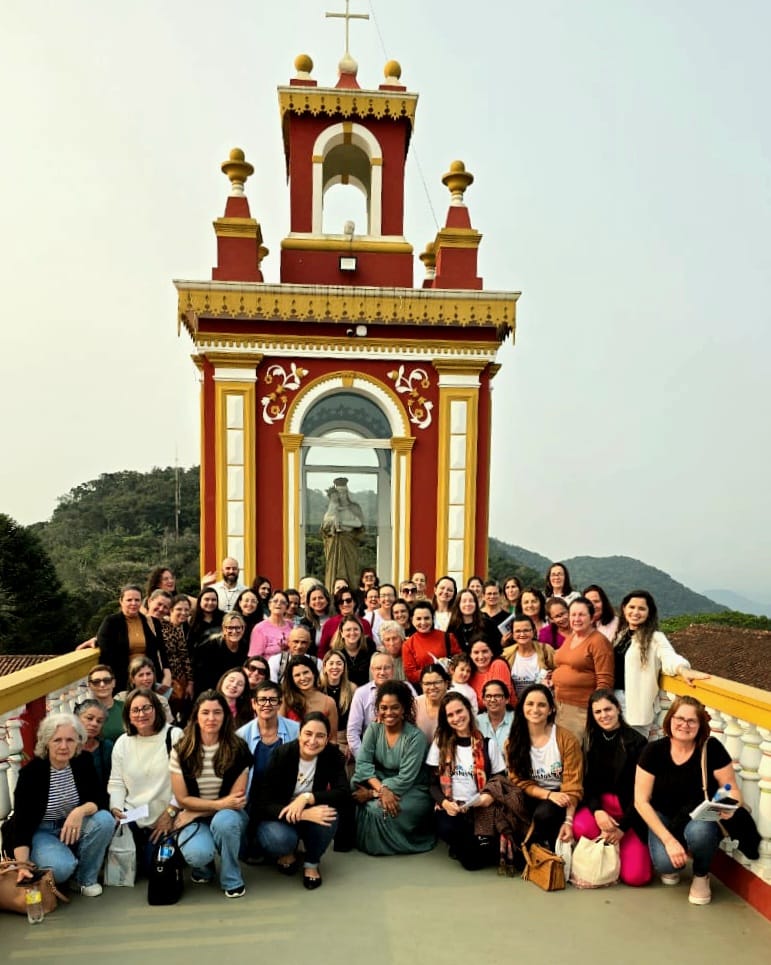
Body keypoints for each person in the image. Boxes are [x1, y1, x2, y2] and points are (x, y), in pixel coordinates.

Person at [634, 695, 740, 905]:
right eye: (679, 718)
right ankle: (677, 852)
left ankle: (701, 874)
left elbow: (731, 789)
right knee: (666, 865)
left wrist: (730, 805)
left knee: (699, 833)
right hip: (664, 817)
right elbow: (641, 801)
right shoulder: (653, 751)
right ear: (670, 719)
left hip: (697, 817)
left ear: (700, 725)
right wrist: (669, 840)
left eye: (692, 721)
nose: (684, 725)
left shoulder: (712, 749)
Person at [11, 712, 114, 894]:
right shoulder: (31, 774)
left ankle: (85, 879)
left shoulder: (83, 761)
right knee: (60, 869)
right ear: (46, 743)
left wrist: (79, 811)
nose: (64, 746)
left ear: (78, 743)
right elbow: (21, 824)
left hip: (74, 826)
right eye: (57, 740)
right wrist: (22, 866)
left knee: (105, 820)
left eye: (70, 740)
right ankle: (65, 864)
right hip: (43, 831)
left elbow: (100, 798)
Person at [170, 690, 253, 899]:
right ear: (196, 716)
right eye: (205, 712)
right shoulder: (182, 750)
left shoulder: (238, 748)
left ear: (225, 716)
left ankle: (231, 877)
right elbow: (182, 799)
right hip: (202, 813)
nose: (211, 718)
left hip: (227, 815)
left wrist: (196, 812)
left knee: (225, 822)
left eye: (217, 712)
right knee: (198, 854)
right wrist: (214, 806)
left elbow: (235, 800)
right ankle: (204, 868)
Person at [253, 712, 349, 889]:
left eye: (320, 736)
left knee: (330, 816)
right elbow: (263, 803)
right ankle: (288, 851)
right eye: (308, 733)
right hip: (279, 815)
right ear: (299, 734)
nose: (313, 741)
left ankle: (311, 863)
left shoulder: (332, 755)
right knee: (278, 839)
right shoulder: (282, 754)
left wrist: (307, 798)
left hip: (309, 809)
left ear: (327, 739)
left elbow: (343, 792)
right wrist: (303, 814)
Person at [573, 689, 652, 886]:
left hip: (631, 811)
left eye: (608, 709)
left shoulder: (637, 742)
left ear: (618, 708)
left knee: (637, 878)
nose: (603, 715)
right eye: (597, 712)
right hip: (603, 807)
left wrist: (623, 828)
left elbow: (643, 794)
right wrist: (597, 811)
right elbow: (588, 784)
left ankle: (621, 849)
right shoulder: (589, 740)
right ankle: (608, 851)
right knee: (580, 826)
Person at [351, 681, 436, 855]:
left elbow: (405, 778)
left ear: (404, 708)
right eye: (384, 708)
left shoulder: (415, 737)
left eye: (395, 707)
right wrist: (381, 789)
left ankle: (396, 842)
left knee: (376, 809)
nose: (388, 713)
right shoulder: (374, 729)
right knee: (354, 784)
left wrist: (373, 794)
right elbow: (363, 764)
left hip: (411, 787)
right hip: (381, 781)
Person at [108, 688, 184, 874]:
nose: (141, 714)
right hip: (134, 815)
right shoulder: (122, 743)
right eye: (135, 710)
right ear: (128, 715)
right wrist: (116, 809)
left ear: (156, 709)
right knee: (127, 868)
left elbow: (186, 782)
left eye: (146, 708)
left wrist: (170, 814)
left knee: (155, 868)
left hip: (166, 815)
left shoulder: (174, 736)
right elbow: (117, 782)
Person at [427, 692, 506, 869]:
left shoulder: (487, 744)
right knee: (467, 855)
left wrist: (489, 797)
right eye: (450, 715)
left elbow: (501, 777)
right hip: (453, 808)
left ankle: (475, 845)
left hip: (481, 807)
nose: (456, 718)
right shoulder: (440, 743)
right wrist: (445, 803)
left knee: (476, 855)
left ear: (469, 711)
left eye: (459, 711)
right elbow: (431, 784)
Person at [613, 590, 708, 735]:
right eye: (632, 607)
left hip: (635, 704)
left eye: (642, 608)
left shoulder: (655, 637)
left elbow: (668, 656)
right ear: (624, 608)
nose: (635, 612)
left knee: (633, 750)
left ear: (649, 613)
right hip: (614, 700)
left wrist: (683, 669)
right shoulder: (621, 635)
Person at [505, 684, 583, 848]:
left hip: (561, 798)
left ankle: (540, 845)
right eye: (530, 704)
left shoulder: (566, 740)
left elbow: (573, 786)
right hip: (533, 793)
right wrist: (547, 794)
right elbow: (519, 781)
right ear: (522, 707)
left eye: (541, 705)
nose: (535, 709)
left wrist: (569, 821)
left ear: (550, 709)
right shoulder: (512, 742)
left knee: (544, 814)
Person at [552, 597, 614, 740]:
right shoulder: (572, 637)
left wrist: (598, 710)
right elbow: (564, 665)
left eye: (581, 614)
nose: (576, 619)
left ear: (592, 618)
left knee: (577, 752)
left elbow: (605, 680)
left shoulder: (599, 642)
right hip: (560, 704)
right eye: (573, 614)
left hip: (581, 709)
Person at [96, 584, 170, 693]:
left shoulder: (151, 622)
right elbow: (106, 653)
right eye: (129, 600)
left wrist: (167, 674)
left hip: (149, 680)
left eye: (137, 600)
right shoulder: (111, 622)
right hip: (124, 681)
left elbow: (162, 650)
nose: (133, 603)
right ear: (121, 601)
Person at [346, 653, 404, 758]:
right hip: (371, 752)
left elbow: (415, 722)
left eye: (386, 668)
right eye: (378, 668)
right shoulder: (361, 693)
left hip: (402, 749)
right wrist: (363, 761)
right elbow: (353, 732)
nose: (382, 672)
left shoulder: (405, 689)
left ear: (393, 669)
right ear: (372, 670)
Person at [321, 477, 365, 591]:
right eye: (338, 493)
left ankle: (352, 594)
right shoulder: (330, 508)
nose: (341, 495)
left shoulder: (353, 508)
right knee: (333, 570)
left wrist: (342, 523)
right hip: (334, 545)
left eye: (343, 492)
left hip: (349, 544)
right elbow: (324, 527)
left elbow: (359, 524)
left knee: (351, 571)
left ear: (347, 492)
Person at [402, 601, 461, 685]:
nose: (423, 623)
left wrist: (448, 664)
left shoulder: (447, 637)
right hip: (424, 689)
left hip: (448, 686)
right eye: (418, 619)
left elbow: (460, 662)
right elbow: (410, 675)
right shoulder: (408, 644)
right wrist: (434, 669)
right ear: (412, 620)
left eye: (426, 618)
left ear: (432, 618)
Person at [193, 610, 250, 695]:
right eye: (230, 628)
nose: (234, 631)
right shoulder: (210, 645)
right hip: (210, 691)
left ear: (243, 628)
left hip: (233, 691)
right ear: (224, 629)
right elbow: (200, 674)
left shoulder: (245, 646)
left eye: (238, 627)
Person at [280, 655, 339, 736]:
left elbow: (332, 738)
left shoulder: (329, 702)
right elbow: (280, 733)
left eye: (306, 672)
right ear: (292, 679)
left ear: (313, 673)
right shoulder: (285, 700)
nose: (303, 678)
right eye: (297, 675)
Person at [502, 615, 556, 700]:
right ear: (512, 634)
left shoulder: (546, 650)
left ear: (534, 631)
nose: (522, 634)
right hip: (516, 706)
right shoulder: (506, 655)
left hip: (542, 703)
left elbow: (560, 671)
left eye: (526, 630)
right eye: (518, 631)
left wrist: (553, 676)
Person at [319, 650, 357, 762]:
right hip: (323, 737)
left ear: (344, 667)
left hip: (345, 738)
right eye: (331, 663)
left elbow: (355, 720)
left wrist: (352, 744)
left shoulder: (352, 689)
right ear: (325, 667)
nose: (335, 667)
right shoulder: (318, 688)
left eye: (339, 663)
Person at [161, 594, 194, 722]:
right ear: (171, 610)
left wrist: (190, 682)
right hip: (164, 677)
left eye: (186, 610)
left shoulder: (182, 628)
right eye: (179, 609)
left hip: (180, 679)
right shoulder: (160, 625)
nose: (183, 613)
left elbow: (184, 656)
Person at [118, 655, 174, 723]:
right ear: (132, 679)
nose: (146, 678)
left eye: (148, 674)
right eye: (141, 675)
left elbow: (168, 726)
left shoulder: (161, 701)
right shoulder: (120, 698)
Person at [318, 587, 372, 657]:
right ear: (337, 604)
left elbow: (369, 648)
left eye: (348, 600)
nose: (345, 604)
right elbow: (322, 650)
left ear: (354, 602)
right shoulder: (330, 624)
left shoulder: (364, 623)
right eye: (341, 601)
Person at [447, 588, 500, 655]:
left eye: (471, 601)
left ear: (476, 604)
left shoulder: (489, 624)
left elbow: (497, 649)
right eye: (464, 601)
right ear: (458, 605)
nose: (468, 604)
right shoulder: (452, 627)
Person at [74, 698, 113, 790]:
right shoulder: (66, 748)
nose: (94, 724)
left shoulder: (107, 747)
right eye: (89, 718)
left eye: (99, 721)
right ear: (76, 718)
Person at [331, 614, 375, 686]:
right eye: (348, 630)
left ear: (361, 631)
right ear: (341, 633)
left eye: (356, 629)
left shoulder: (369, 645)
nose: (352, 633)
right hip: (345, 690)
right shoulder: (336, 652)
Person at [249, 590, 293, 658]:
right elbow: (254, 658)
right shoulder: (259, 628)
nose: (278, 604)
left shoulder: (291, 625)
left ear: (286, 607)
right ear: (269, 605)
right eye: (275, 601)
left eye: (283, 602)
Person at [87, 664, 125, 742]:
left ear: (113, 683)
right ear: (90, 686)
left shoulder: (126, 707)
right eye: (96, 682)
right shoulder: (84, 714)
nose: (102, 685)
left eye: (107, 680)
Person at [468, 639, 511, 706]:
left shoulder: (499, 664)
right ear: (470, 655)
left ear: (492, 652)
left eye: (485, 651)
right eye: (476, 652)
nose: (481, 656)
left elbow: (499, 700)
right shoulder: (468, 672)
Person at [415, 663, 450, 743]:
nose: (432, 687)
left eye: (437, 682)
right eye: (427, 684)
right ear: (421, 685)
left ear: (446, 683)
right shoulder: (415, 704)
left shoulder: (455, 704)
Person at [477, 680, 515, 755]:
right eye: (488, 696)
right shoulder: (477, 722)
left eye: (497, 696)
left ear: (507, 699)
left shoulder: (517, 720)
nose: (492, 700)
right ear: (483, 700)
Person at [301, 584, 332, 651]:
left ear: (327, 600)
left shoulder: (335, 619)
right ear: (309, 603)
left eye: (321, 598)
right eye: (314, 599)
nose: (317, 601)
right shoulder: (305, 623)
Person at [371, 583, 396, 648]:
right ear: (379, 599)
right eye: (383, 596)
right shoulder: (370, 617)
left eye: (390, 595)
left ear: (395, 598)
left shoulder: (400, 616)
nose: (387, 598)